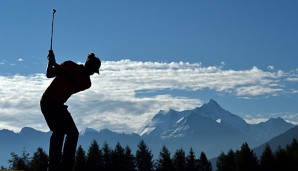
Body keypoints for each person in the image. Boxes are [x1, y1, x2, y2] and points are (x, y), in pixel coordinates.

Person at [40, 50, 101, 171]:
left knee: (72, 133)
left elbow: (72, 78)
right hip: (48, 102)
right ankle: (54, 167)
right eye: (93, 70)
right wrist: (50, 62)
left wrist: (55, 64)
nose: (93, 73)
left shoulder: (86, 82)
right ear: (88, 65)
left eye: (94, 72)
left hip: (58, 104)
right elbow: (49, 74)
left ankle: (64, 166)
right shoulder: (69, 64)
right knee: (60, 131)